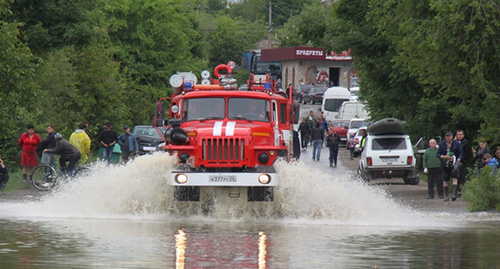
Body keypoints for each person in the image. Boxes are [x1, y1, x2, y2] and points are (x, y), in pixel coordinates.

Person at [437, 131, 462, 201]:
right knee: (445, 179)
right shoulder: (442, 144)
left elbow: (460, 153)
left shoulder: (456, 143)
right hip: (445, 164)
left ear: (452, 136)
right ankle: (446, 195)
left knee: (454, 177)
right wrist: (443, 156)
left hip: (454, 162)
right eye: (446, 136)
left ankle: (454, 194)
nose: (448, 137)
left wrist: (458, 159)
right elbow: (438, 154)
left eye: (449, 136)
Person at [455, 130, 472, 195]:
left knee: (461, 176)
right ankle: (456, 190)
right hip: (455, 161)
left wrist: (462, 161)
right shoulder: (455, 142)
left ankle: (461, 191)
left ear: (463, 135)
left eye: (460, 134)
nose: (459, 136)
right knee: (455, 176)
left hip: (462, 162)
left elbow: (467, 153)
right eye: (458, 135)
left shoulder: (465, 143)